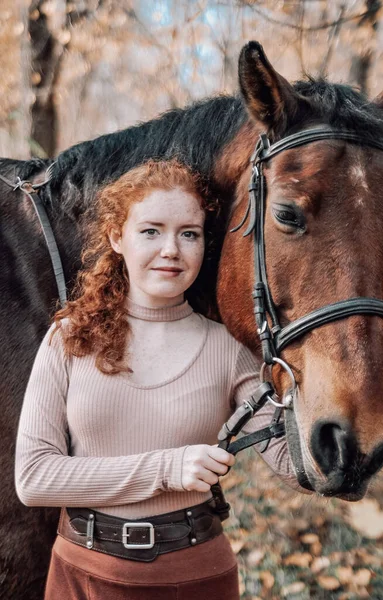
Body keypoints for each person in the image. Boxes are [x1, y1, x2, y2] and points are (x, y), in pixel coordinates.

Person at [15, 159, 300, 600]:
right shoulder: (70, 337)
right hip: (82, 574)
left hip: (196, 576)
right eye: (151, 231)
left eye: (189, 233)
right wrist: (167, 468)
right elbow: (34, 479)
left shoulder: (228, 348)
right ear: (117, 238)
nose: (171, 249)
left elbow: (293, 466)